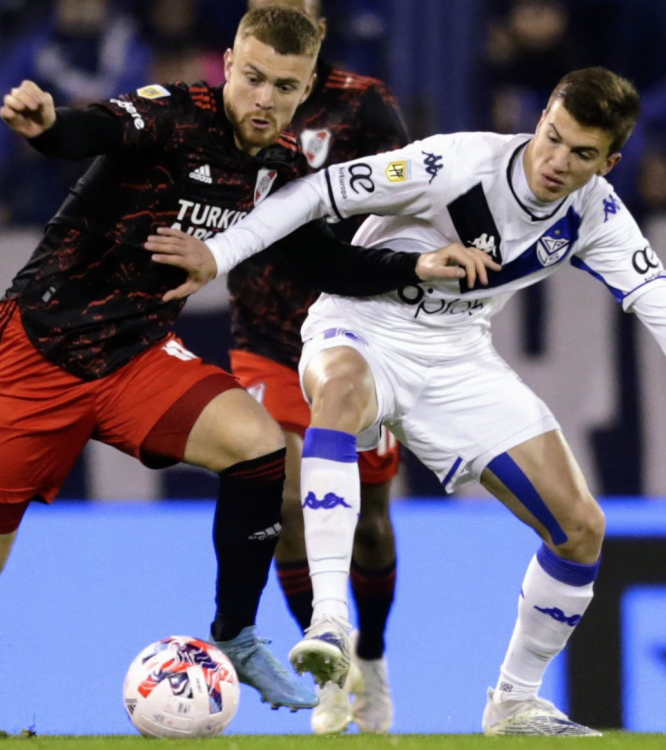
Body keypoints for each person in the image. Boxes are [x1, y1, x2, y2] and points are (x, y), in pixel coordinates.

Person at [0, 5, 474, 739]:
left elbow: (326, 261)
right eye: (254, 78)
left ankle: (233, 631)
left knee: (261, 449)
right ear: (229, 62)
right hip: (40, 351)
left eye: (284, 88)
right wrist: (47, 126)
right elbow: (95, 127)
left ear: (305, 90)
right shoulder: (171, 114)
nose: (265, 99)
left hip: (137, 354)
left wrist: (417, 264)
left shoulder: (282, 168)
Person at [144, 66, 666, 735]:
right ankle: (331, 624)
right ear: (541, 121)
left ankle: (513, 702)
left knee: (582, 529)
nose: (558, 162)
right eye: (553, 138)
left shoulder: (597, 216)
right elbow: (315, 195)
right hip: (363, 322)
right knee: (338, 393)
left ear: (611, 161)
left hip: (458, 357)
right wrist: (217, 255)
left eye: (583, 154)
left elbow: (664, 308)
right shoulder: (453, 162)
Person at [229, 0, 409, 735]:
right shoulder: (227, 100)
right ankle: (328, 658)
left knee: (368, 524)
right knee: (287, 504)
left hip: (353, 335)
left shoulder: (364, 106)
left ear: (320, 25)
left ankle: (371, 653)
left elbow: (411, 201)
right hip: (264, 333)